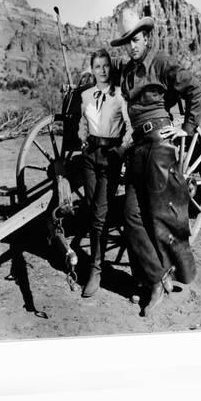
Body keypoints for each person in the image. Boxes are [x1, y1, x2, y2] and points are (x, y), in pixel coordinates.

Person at [110, 9, 201, 316]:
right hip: (137, 148)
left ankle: (160, 282)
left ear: (146, 37)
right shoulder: (126, 73)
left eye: (136, 40)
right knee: (130, 215)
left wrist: (186, 128)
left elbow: (193, 89)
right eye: (127, 42)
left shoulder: (161, 61)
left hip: (159, 146)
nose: (132, 46)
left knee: (161, 217)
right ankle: (156, 278)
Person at [78, 49, 132, 298]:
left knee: (99, 214)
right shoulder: (86, 95)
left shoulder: (120, 95)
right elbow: (82, 123)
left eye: (105, 66)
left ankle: (95, 270)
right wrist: (82, 140)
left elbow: (130, 128)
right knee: (90, 209)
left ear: (110, 69)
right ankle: (95, 263)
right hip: (90, 156)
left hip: (109, 157)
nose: (101, 70)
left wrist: (120, 150)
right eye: (97, 66)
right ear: (92, 69)